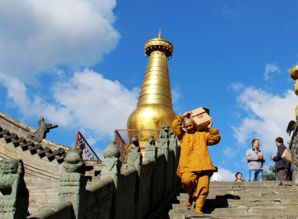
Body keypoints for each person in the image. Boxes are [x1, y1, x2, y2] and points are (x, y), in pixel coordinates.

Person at [172, 111, 221, 214]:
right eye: (186, 126)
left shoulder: (203, 134)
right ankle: (191, 195)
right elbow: (175, 126)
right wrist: (183, 116)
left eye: (190, 125)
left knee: (204, 188)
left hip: (204, 166)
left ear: (194, 124)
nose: (188, 127)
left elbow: (216, 139)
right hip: (188, 166)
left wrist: (209, 127)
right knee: (186, 181)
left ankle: (198, 209)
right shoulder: (183, 136)